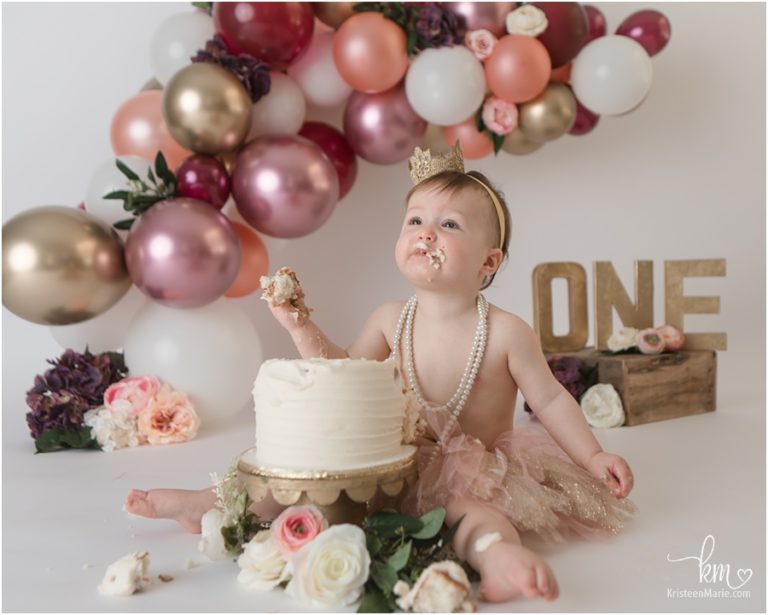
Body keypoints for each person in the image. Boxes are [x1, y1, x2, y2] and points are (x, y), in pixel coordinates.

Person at [126, 144, 636, 603]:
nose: (426, 233)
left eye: (450, 225)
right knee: (295, 479)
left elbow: (548, 400)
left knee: (470, 511)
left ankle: (495, 555)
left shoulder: (506, 332)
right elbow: (344, 373)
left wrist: (591, 455)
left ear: (489, 261)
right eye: (415, 221)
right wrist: (301, 324)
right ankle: (209, 505)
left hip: (473, 467)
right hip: (389, 457)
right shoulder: (392, 318)